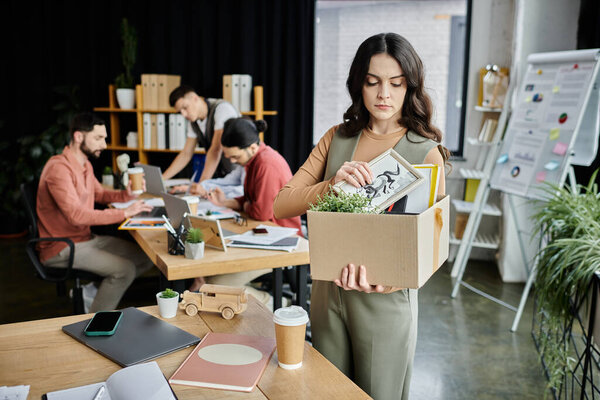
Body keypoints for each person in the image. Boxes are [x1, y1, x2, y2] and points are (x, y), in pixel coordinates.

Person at [273, 33, 449, 399]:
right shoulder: (336, 138)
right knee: (327, 393)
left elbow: (432, 247)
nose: (384, 94)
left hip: (385, 302)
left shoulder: (426, 153)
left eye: (396, 83)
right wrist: (332, 184)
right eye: (373, 82)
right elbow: (281, 204)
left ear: (409, 87)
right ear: (359, 85)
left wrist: (391, 281)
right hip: (326, 294)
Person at [38, 112, 154, 313]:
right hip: (61, 246)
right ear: (78, 137)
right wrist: (125, 212)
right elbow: (76, 215)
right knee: (124, 270)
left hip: (85, 238)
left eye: (105, 138)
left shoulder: (85, 165)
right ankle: (94, 324)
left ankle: (90, 293)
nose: (105, 145)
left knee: (146, 256)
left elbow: (100, 194)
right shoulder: (59, 169)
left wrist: (126, 195)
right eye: (99, 138)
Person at [190, 117, 302, 302]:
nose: (233, 161)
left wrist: (249, 205)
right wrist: (225, 202)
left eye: (235, 157)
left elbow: (260, 213)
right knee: (210, 277)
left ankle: (278, 305)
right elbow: (251, 201)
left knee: (216, 285)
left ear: (251, 147)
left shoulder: (266, 164)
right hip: (263, 233)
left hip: (279, 240)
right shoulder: (253, 160)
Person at [162, 85, 243, 196]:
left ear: (195, 98)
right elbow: (186, 153)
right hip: (220, 179)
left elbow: (215, 150)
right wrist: (162, 179)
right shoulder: (194, 121)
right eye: (180, 112)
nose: (184, 114)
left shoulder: (222, 109)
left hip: (237, 177)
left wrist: (200, 186)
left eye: (185, 108)